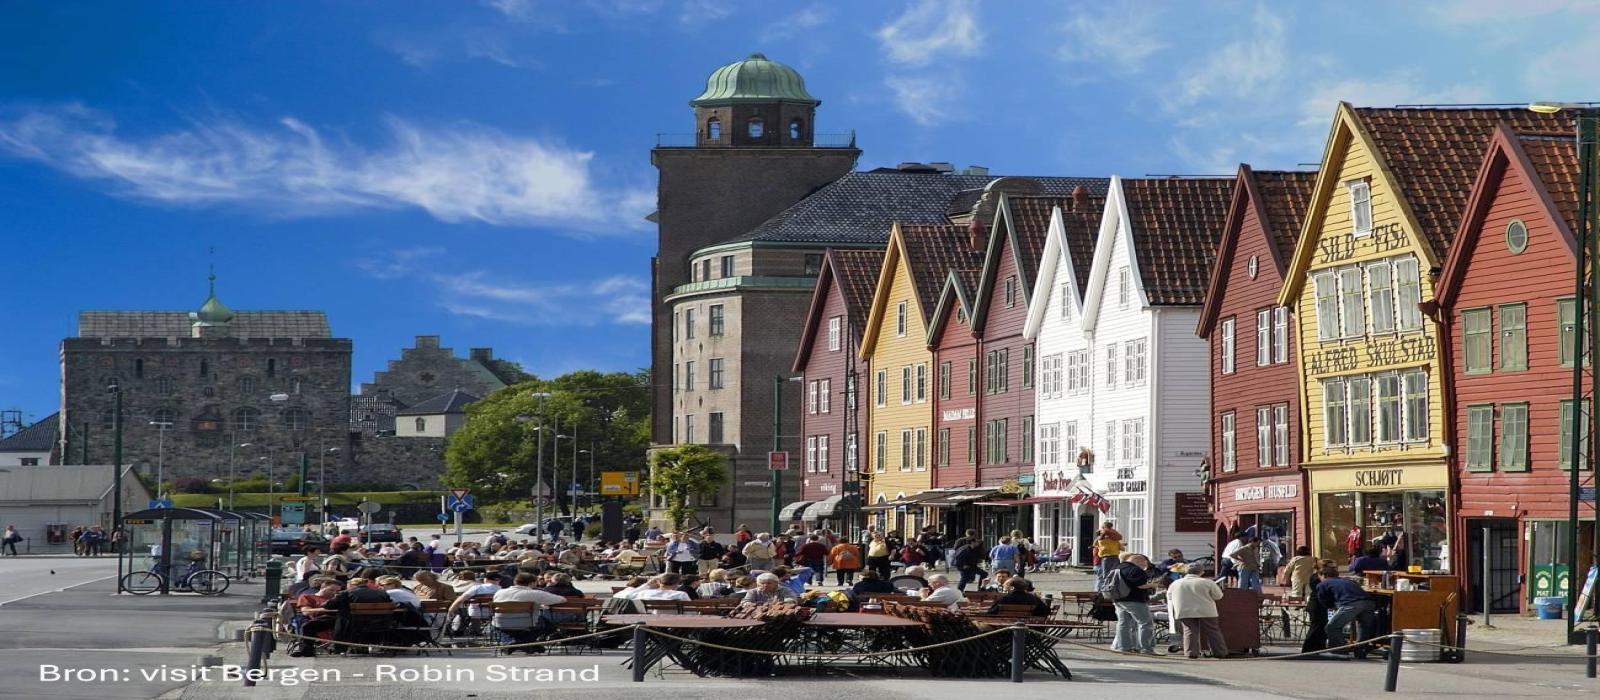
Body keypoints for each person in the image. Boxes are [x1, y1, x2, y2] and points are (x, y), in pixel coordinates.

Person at [1167, 564, 1230, 659]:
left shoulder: (1175, 583)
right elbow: (1218, 596)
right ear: (1201, 572)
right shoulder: (1207, 582)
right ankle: (1220, 652)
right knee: (1213, 631)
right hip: (1206, 610)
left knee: (1189, 631)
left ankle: (1190, 653)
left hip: (1184, 610)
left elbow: (1169, 596)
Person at [492, 572, 566, 653]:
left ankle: (517, 643)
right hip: (526, 622)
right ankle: (525, 643)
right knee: (546, 623)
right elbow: (562, 599)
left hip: (501, 622)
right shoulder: (534, 593)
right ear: (532, 583)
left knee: (503, 626)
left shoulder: (499, 592)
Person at [1316, 566, 1378, 658]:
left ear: (1324, 575)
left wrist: (1332, 607)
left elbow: (1323, 600)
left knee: (1332, 627)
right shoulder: (1349, 581)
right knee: (1364, 627)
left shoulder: (1323, 584)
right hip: (1369, 602)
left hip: (1351, 604)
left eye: (1319, 577)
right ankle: (1360, 651)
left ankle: (1339, 650)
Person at [1109, 553, 1158, 654]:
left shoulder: (1118, 567)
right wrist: (1152, 585)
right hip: (1135, 600)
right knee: (1145, 623)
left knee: (1123, 624)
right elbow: (1140, 585)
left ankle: (1124, 647)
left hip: (1118, 599)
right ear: (1139, 561)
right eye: (1145, 563)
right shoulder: (1136, 570)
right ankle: (1146, 648)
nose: (1145, 566)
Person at [1093, 523, 1123, 590]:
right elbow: (1120, 538)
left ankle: (1106, 590)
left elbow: (1096, 542)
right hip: (1115, 556)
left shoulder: (1102, 539)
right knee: (1114, 574)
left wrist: (1105, 530)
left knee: (1106, 575)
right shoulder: (1114, 539)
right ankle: (1112, 589)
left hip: (1107, 557)